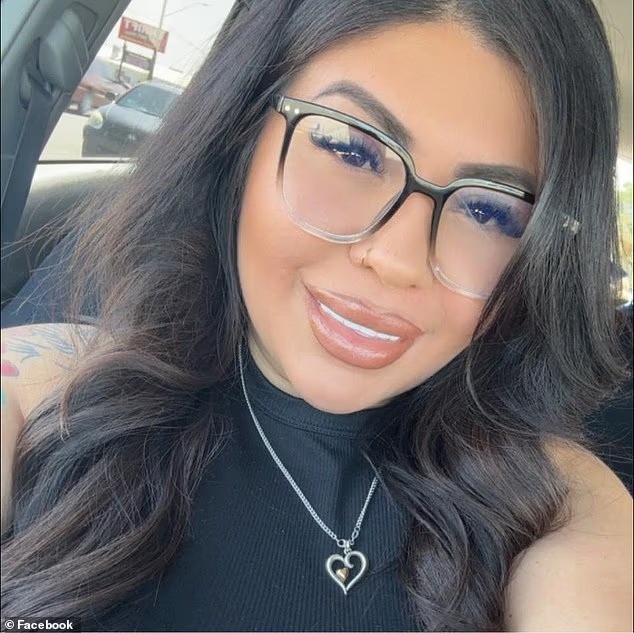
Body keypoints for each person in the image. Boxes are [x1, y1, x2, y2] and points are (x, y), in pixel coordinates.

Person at [1, 0, 632, 630]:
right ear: (239, 133)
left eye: (491, 212)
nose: (397, 260)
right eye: (349, 150)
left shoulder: (557, 505)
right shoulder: (52, 393)